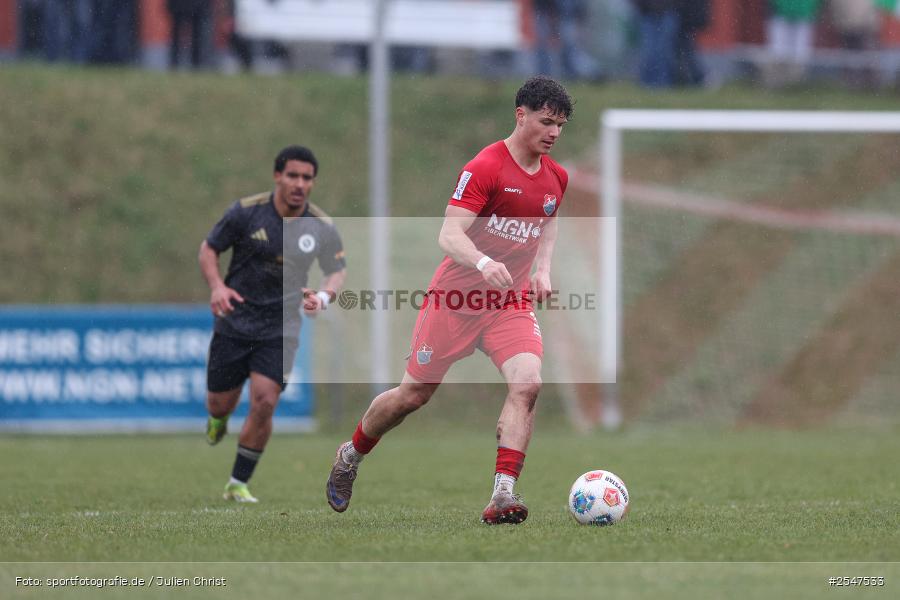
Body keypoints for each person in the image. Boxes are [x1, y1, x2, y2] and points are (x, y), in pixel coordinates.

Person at [325, 76, 572, 524]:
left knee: (528, 383)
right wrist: (481, 263)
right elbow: (449, 233)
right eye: (546, 121)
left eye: (560, 125)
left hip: (509, 304)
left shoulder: (556, 176)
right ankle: (351, 454)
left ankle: (503, 494)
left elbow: (549, 218)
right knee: (412, 395)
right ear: (521, 116)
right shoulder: (485, 167)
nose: (554, 132)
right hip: (456, 299)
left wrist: (542, 269)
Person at [200, 146, 346, 503]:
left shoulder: (321, 226)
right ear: (277, 176)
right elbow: (208, 249)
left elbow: (336, 271)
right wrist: (217, 287)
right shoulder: (246, 213)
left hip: (281, 327)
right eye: (293, 175)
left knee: (265, 401)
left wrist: (323, 298)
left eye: (307, 178)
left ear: (313, 182)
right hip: (235, 320)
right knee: (220, 404)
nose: (299, 184)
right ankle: (218, 420)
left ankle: (237, 483)